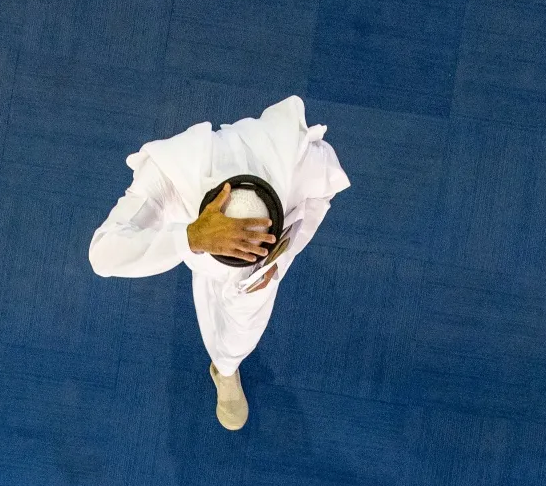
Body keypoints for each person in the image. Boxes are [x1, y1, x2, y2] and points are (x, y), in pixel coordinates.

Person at [88, 96, 350, 430]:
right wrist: (192, 238)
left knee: (243, 332)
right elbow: (102, 253)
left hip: (256, 275)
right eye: (229, 243)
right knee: (209, 299)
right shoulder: (169, 173)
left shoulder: (298, 161)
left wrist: (282, 256)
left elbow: (319, 196)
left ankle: (226, 367)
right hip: (196, 247)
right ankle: (225, 364)